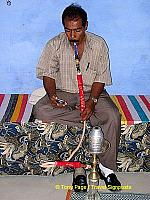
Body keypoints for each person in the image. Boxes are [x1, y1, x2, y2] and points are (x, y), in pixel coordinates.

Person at [33, 3, 121, 191]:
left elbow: (101, 77)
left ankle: (107, 170)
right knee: (41, 111)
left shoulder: (99, 44)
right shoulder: (54, 44)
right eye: (68, 30)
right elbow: (48, 74)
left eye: (77, 30)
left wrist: (92, 102)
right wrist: (53, 95)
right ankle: (89, 119)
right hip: (64, 92)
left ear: (86, 26)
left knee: (113, 116)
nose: (73, 35)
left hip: (93, 93)